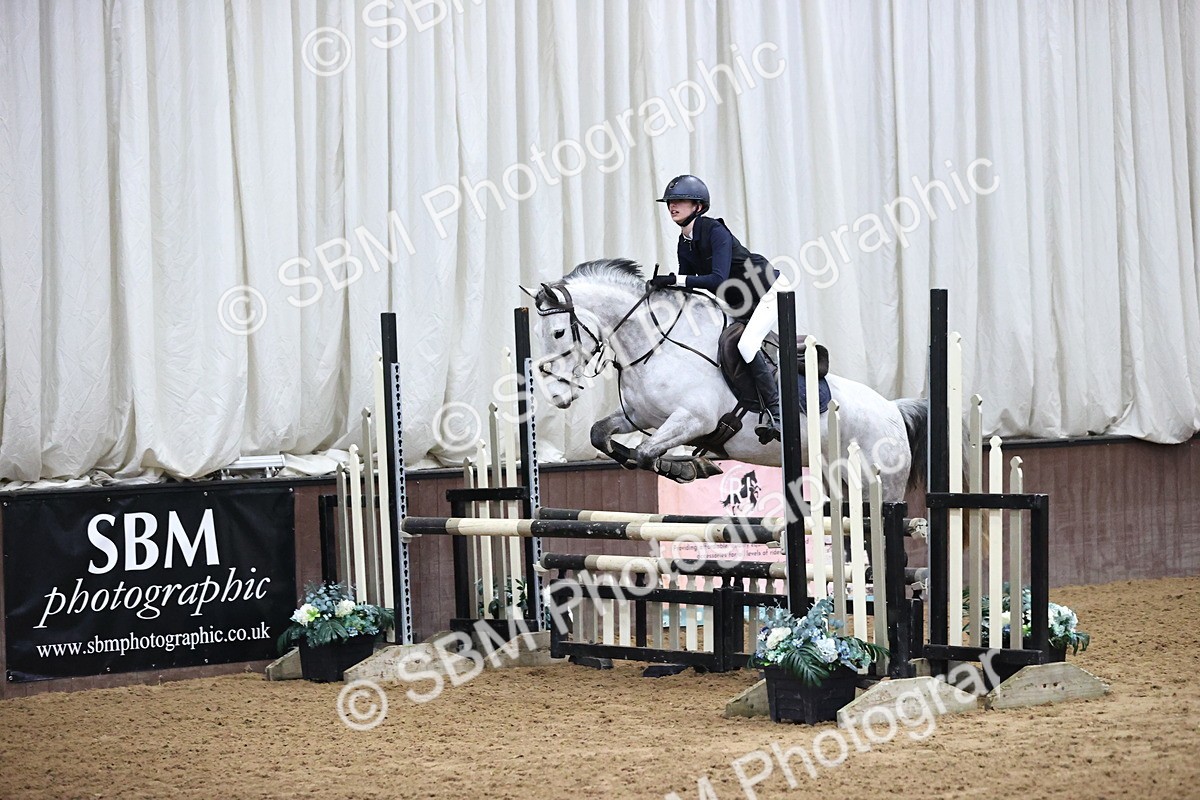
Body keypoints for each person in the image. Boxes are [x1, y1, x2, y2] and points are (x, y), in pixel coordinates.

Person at [648, 175, 782, 443]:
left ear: (698, 206)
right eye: (670, 202)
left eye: (680, 201)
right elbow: (688, 287)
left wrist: (674, 279)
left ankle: (776, 415)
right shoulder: (684, 242)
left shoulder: (714, 231)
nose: (672, 206)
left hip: (767, 291)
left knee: (747, 346)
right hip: (738, 302)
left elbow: (717, 279)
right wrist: (660, 291)